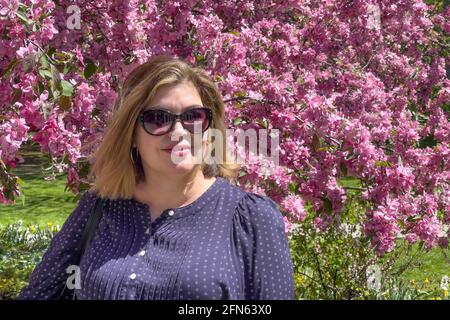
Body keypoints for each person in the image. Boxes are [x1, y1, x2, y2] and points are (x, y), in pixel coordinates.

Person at [18, 55, 295, 300]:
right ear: (131, 135)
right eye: (158, 118)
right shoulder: (99, 208)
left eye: (194, 117)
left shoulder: (250, 218)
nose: (178, 132)